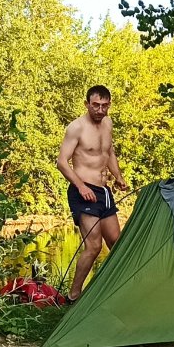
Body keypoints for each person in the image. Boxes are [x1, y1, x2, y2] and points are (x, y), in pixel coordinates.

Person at [56, 84, 128, 303]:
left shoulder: (108, 124)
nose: (100, 110)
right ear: (87, 104)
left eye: (104, 105)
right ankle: (73, 296)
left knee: (117, 242)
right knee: (94, 246)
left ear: (109, 105)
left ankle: (113, 288)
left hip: (103, 191)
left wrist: (118, 176)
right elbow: (61, 162)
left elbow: (109, 153)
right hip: (83, 191)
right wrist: (82, 186)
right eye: (95, 105)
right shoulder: (76, 128)